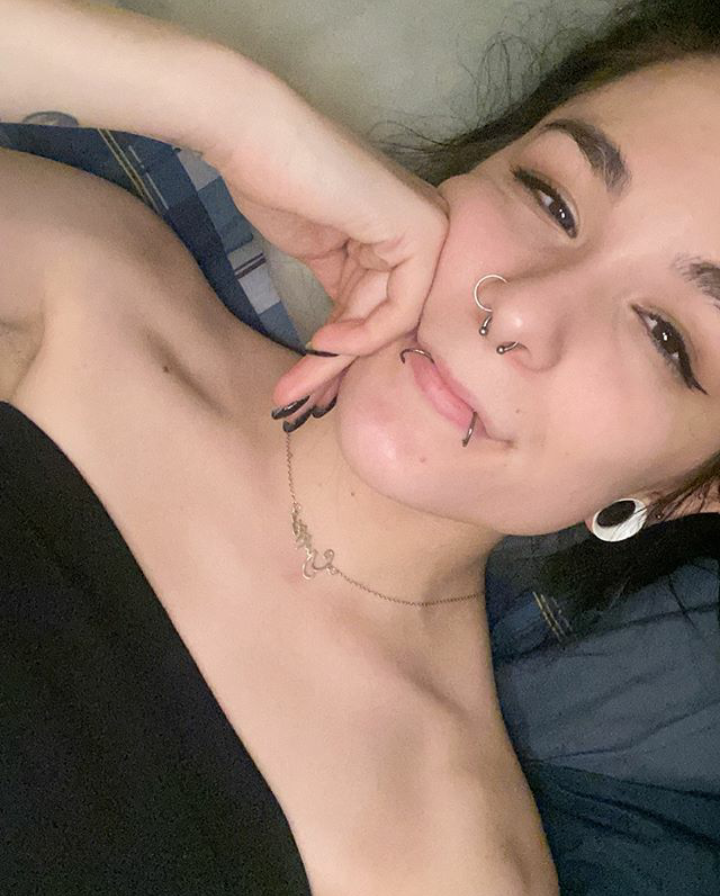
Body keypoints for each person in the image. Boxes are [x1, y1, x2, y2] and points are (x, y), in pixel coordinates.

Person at [0, 0, 718, 894]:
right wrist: (225, 106)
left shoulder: (450, 864)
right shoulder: (93, 286)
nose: (522, 312)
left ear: (695, 489)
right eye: (550, 197)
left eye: (664, 338)